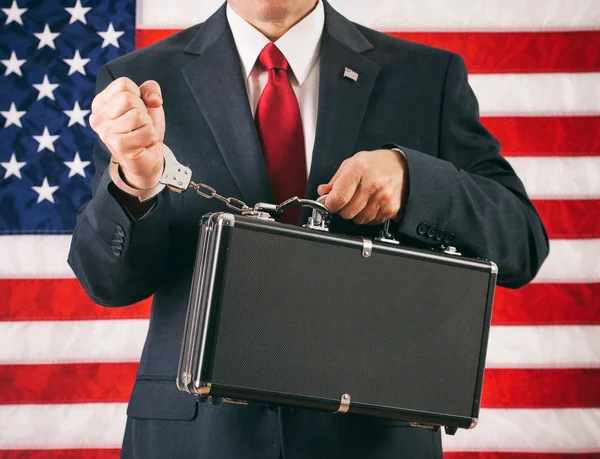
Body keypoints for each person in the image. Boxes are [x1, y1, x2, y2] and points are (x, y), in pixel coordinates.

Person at [68, 0, 549, 457]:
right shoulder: (139, 85)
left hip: (369, 442)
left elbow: (522, 242)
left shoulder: (427, 77)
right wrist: (135, 182)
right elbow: (106, 283)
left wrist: (413, 181)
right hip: (198, 441)